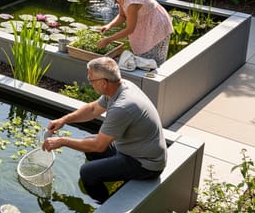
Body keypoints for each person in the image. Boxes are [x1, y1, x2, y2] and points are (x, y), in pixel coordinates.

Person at [41, 57, 167, 202]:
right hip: (133, 148)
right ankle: (114, 175)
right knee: (88, 144)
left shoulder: (122, 107)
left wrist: (62, 141)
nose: (89, 82)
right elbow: (93, 109)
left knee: (87, 172)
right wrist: (64, 120)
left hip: (146, 163)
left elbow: (99, 146)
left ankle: (105, 203)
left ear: (103, 82)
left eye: (91, 79)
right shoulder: (120, 87)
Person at [97, 0, 174, 64]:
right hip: (145, 21)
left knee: (152, 61)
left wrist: (108, 40)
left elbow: (130, 29)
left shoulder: (132, 2)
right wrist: (109, 26)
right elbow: (122, 16)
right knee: (142, 57)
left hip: (156, 24)